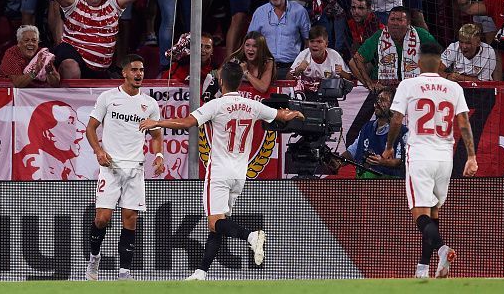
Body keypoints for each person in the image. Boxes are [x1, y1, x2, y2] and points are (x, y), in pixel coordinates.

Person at [139, 61, 304, 280]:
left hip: (219, 171)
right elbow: (281, 115)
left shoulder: (216, 105)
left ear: (221, 81)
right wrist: (297, 113)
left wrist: (156, 122)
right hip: (240, 173)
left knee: (215, 221)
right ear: (240, 81)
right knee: (218, 224)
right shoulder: (253, 105)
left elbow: (187, 122)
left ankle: (251, 235)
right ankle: (201, 272)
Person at [382, 42, 478, 278]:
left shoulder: (408, 84)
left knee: (420, 214)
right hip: (445, 157)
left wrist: (389, 147)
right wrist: (472, 157)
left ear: (419, 61)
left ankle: (443, 249)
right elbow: (464, 123)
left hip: (421, 154)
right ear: (440, 62)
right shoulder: (453, 88)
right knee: (433, 214)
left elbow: (396, 120)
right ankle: (423, 268)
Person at [85, 54, 165, 281]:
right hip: (111, 166)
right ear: (124, 72)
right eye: (134, 70)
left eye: (141, 70)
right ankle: (94, 259)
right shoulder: (108, 98)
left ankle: (124, 273)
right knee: (102, 218)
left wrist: (158, 155)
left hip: (135, 167)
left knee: (130, 218)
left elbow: (156, 134)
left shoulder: (149, 104)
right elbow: (90, 129)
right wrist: (99, 151)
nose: (139, 74)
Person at [51, 0, 144, 79]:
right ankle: (71, 98)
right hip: (74, 57)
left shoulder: (112, 0)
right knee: (70, 65)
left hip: (100, 69)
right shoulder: (75, 1)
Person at [349, 6, 436, 92]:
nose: (395, 23)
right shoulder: (379, 36)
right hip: (383, 89)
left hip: (416, 89)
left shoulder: (422, 35)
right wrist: (369, 84)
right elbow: (354, 62)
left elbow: (440, 62)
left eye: (399, 20)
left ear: (408, 23)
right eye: (392, 19)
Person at [329, 88, 408, 179]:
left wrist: (383, 162)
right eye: (377, 100)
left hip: (389, 185)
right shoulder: (367, 127)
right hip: (363, 184)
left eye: (382, 100)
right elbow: (352, 151)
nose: (377, 104)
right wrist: (339, 161)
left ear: (393, 106)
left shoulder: (403, 131)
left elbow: (401, 161)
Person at [247, 0, 310, 79]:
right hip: (264, 68)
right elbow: (250, 42)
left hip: (292, 68)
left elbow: (308, 41)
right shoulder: (259, 12)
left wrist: (301, 65)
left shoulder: (300, 12)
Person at [13, 100, 87, 180]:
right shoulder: (31, 165)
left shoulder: (66, 168)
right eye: (71, 122)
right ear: (48, 133)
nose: (82, 128)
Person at [288, 25, 353, 92]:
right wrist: (298, 70)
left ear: (326, 44)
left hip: (329, 95)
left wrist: (342, 72)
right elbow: (287, 79)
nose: (315, 45)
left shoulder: (334, 56)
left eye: (319, 42)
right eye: (312, 41)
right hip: (306, 96)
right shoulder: (304, 55)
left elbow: (350, 78)